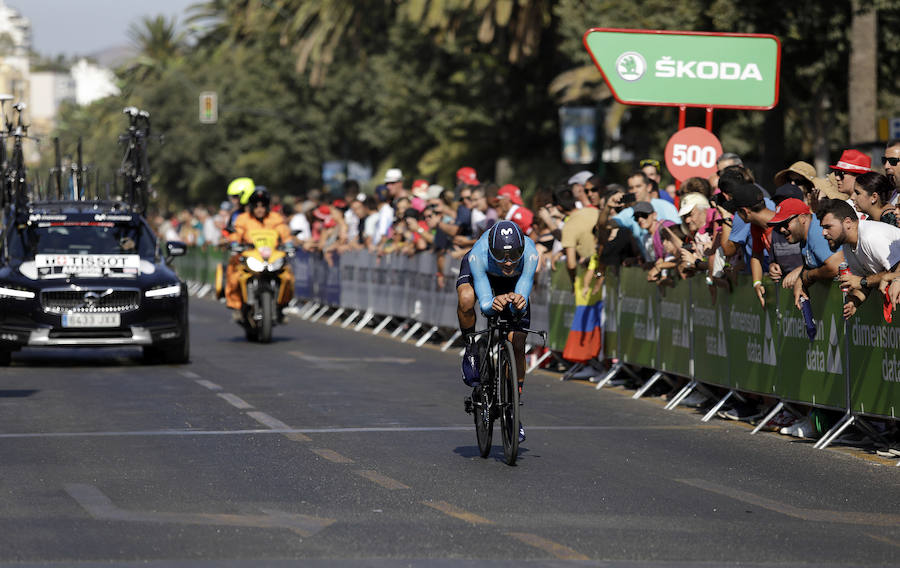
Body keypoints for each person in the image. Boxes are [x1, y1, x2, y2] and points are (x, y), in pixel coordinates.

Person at [457, 220, 538, 443]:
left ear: (522, 249)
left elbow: (522, 291)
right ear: (492, 250)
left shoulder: (531, 254)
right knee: (466, 299)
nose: (508, 261)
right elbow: (484, 304)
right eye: (501, 255)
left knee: (518, 339)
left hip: (511, 284)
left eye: (513, 256)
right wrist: (493, 302)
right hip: (484, 274)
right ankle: (472, 347)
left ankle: (513, 406)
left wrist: (514, 301)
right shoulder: (479, 254)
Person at [817, 198, 900, 319]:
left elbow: (896, 273)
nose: (823, 233)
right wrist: (854, 302)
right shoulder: (847, 243)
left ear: (847, 223)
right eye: (822, 227)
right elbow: (864, 281)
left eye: (828, 227)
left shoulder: (871, 236)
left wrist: (862, 281)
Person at [766, 198, 844, 308]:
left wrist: (807, 276)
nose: (782, 230)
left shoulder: (817, 230)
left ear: (802, 218)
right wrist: (800, 280)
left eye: (785, 223)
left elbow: (836, 267)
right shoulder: (803, 239)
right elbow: (812, 266)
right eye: (778, 226)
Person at [226, 187, 294, 312]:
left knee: (287, 277)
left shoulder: (275, 218)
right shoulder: (243, 218)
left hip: (271, 257)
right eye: (256, 206)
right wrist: (234, 243)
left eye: (263, 206)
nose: (260, 209)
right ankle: (237, 305)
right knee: (235, 276)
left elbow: (284, 233)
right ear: (252, 206)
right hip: (251, 257)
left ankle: (282, 304)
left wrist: (289, 244)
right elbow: (237, 233)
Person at [830, 149, 872, 217]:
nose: (837, 178)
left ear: (858, 176)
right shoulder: (846, 205)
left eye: (842, 173)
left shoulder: (868, 205)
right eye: (836, 172)